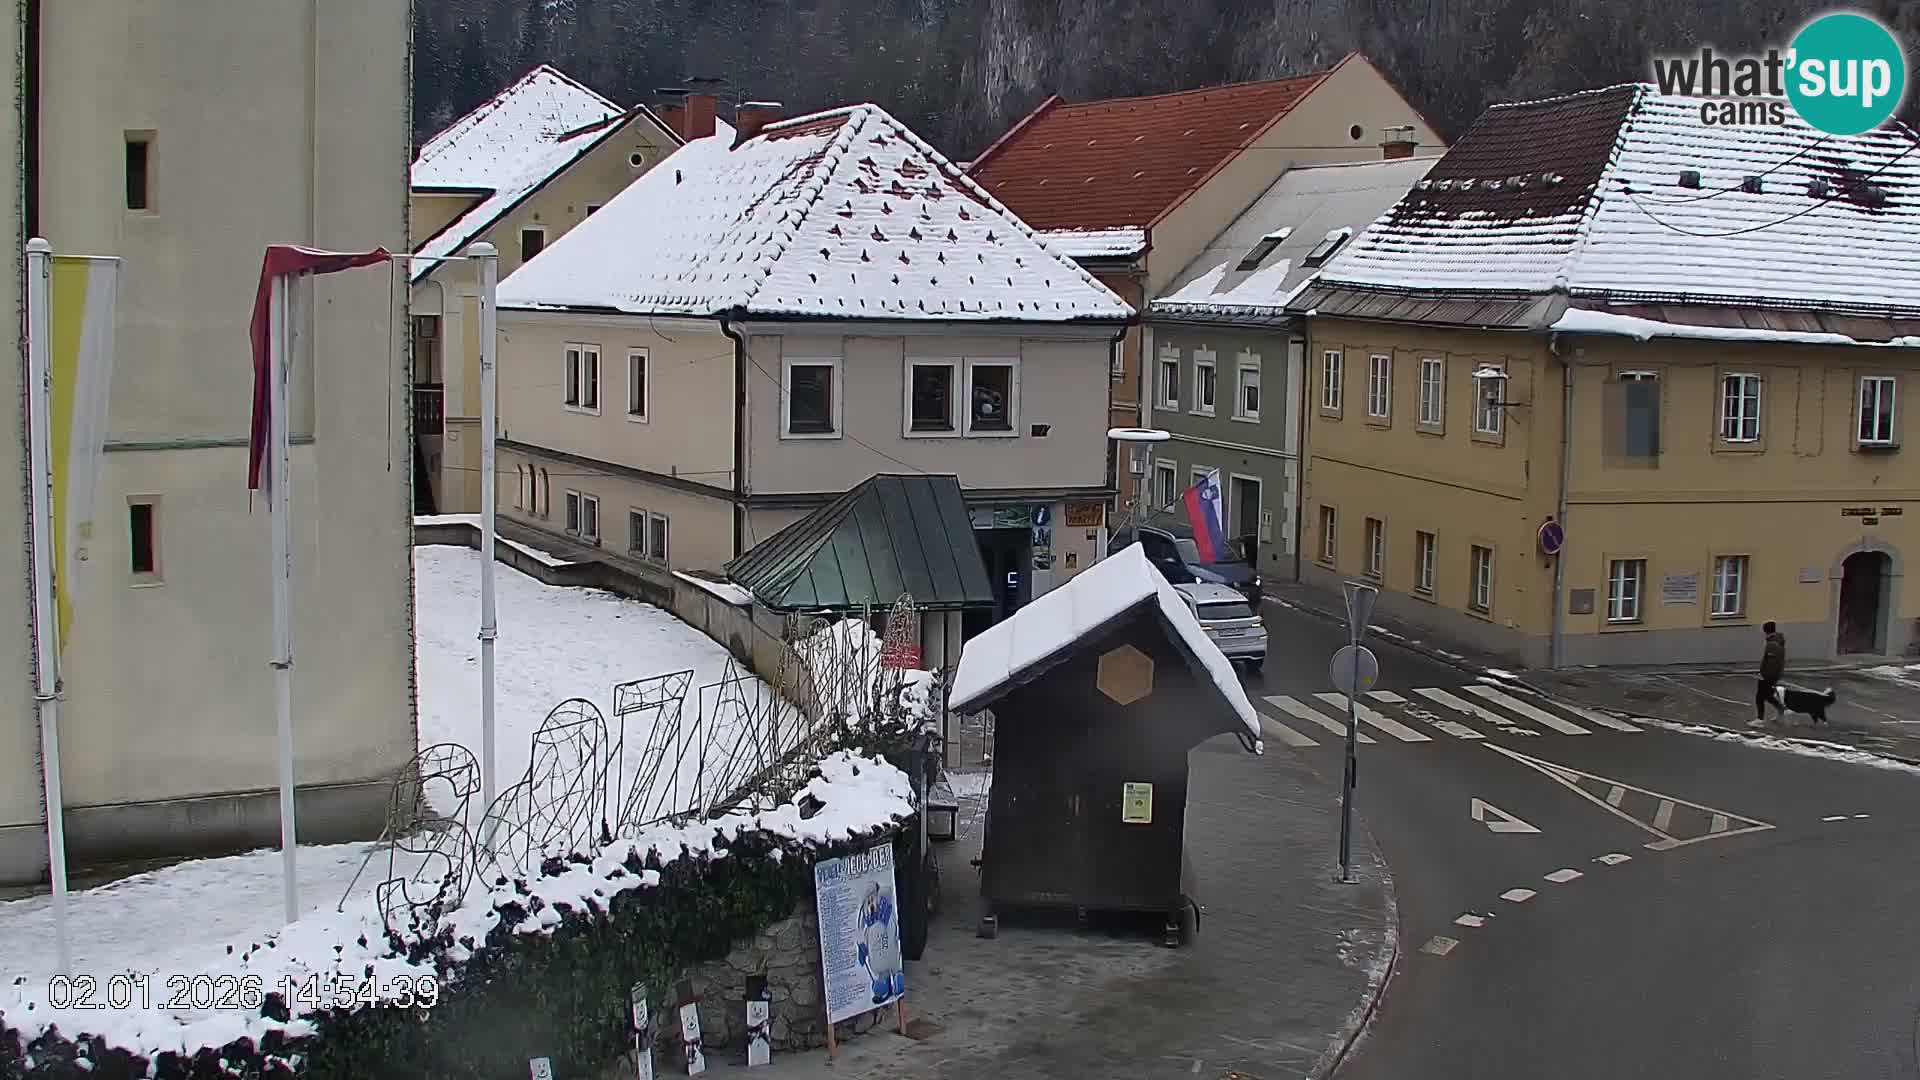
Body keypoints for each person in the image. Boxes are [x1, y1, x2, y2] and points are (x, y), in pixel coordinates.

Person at [1755, 621, 1787, 725]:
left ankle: (1760, 720)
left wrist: (1763, 674)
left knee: (1759, 696)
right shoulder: (1776, 641)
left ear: (1765, 630)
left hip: (1768, 674)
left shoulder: (1772, 644)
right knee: (1767, 695)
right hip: (1774, 674)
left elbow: (1771, 662)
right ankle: (1780, 708)